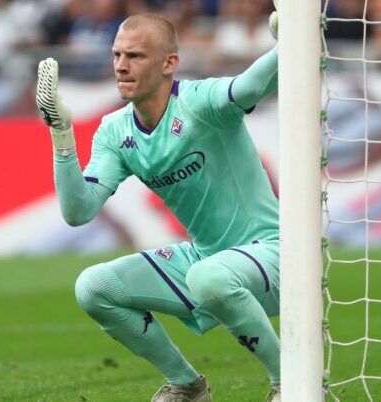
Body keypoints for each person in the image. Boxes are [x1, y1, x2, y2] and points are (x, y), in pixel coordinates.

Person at [36, 5, 280, 402]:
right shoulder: (115, 131)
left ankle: (291, 383)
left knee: (209, 276)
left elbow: (249, 87)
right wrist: (61, 133)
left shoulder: (199, 102)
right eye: (117, 54)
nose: (121, 66)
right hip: (207, 257)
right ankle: (187, 386)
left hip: (271, 254)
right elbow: (78, 211)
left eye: (135, 56)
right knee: (94, 287)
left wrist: (289, 46)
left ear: (169, 63)